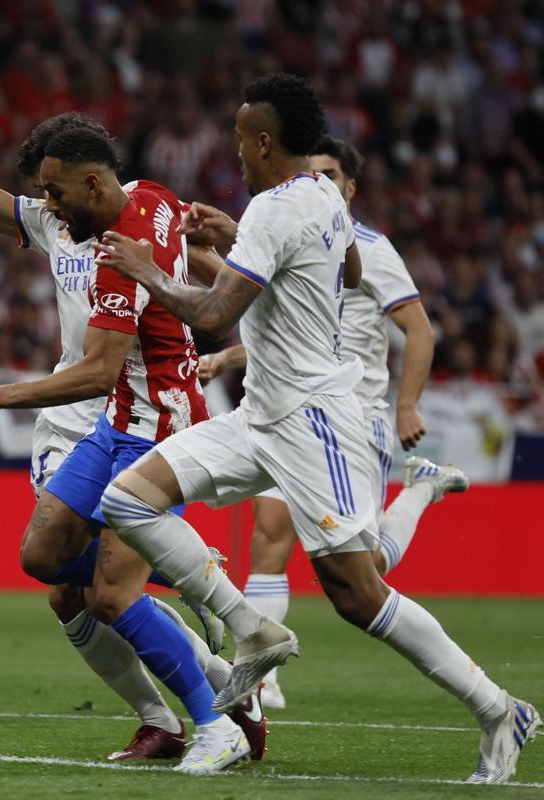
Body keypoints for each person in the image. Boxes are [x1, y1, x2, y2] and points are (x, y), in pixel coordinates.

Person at [94, 73, 539, 785]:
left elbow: (210, 314)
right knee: (126, 499)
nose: (235, 152)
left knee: (359, 593)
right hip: (260, 416)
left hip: (312, 422)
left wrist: (146, 267)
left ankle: (497, 708)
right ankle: (253, 629)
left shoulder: (278, 208)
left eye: (241, 139)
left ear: (264, 140)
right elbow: (352, 265)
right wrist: (243, 237)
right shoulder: (320, 197)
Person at [0, 30, 265, 767]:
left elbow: (117, 350)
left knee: (110, 594)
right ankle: (191, 631)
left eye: (53, 187)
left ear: (91, 183)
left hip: (145, 416)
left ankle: (211, 710)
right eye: (41, 190)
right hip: (90, 421)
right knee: (53, 572)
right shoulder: (62, 222)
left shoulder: (138, 228)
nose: (42, 201)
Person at [195, 135, 469, 709]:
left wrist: (407, 406)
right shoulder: (290, 230)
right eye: (309, 169)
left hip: (355, 415)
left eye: (328, 173)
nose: (315, 181)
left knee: (364, 569)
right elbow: (293, 326)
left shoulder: (371, 247)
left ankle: (420, 490)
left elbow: (419, 330)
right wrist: (227, 356)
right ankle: (261, 677)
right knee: (269, 536)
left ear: (350, 186)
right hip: (291, 412)